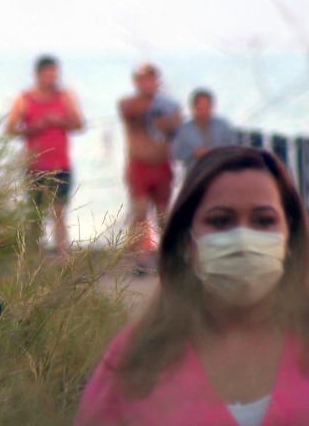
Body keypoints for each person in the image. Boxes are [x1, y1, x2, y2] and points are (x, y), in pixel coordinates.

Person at [75, 147, 309, 425]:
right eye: (220, 221)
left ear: (290, 237)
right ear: (187, 242)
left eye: (263, 220)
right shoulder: (136, 358)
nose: (244, 239)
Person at [6, 55, 84, 254]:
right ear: (38, 75)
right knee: (35, 215)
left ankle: (63, 256)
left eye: (55, 75)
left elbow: (79, 124)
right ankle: (33, 256)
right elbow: (11, 129)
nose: (52, 79)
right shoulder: (24, 99)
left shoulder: (65, 97)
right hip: (35, 165)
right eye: (48, 75)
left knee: (60, 213)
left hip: (61, 165)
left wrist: (59, 121)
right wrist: (36, 127)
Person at [119, 63, 182, 272]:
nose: (148, 84)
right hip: (139, 166)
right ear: (136, 82)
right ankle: (141, 259)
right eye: (143, 80)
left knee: (164, 214)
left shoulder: (167, 105)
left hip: (163, 166)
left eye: (151, 79)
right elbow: (133, 114)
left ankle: (168, 257)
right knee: (140, 212)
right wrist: (159, 111)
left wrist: (165, 114)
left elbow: (177, 125)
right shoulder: (129, 103)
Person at [173, 88, 238, 171]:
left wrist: (217, 153)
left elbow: (234, 147)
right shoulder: (184, 130)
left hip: (222, 171)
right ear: (193, 108)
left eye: (207, 107)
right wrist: (193, 153)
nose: (204, 112)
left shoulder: (223, 125)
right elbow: (177, 154)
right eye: (201, 108)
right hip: (196, 173)